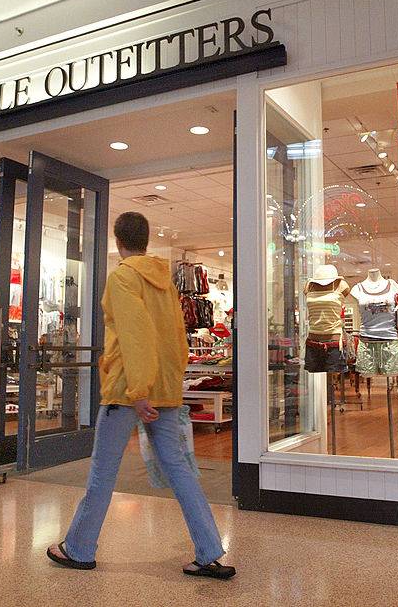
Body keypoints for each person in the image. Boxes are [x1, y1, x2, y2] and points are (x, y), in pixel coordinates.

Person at [47, 211, 235, 580]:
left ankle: (79, 548)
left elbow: (134, 335)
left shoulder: (122, 277)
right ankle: (210, 551)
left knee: (103, 472)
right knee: (180, 471)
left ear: (118, 242)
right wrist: (167, 382)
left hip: (128, 391)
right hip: (164, 389)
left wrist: (137, 390)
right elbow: (177, 338)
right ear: (146, 240)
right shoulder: (164, 282)